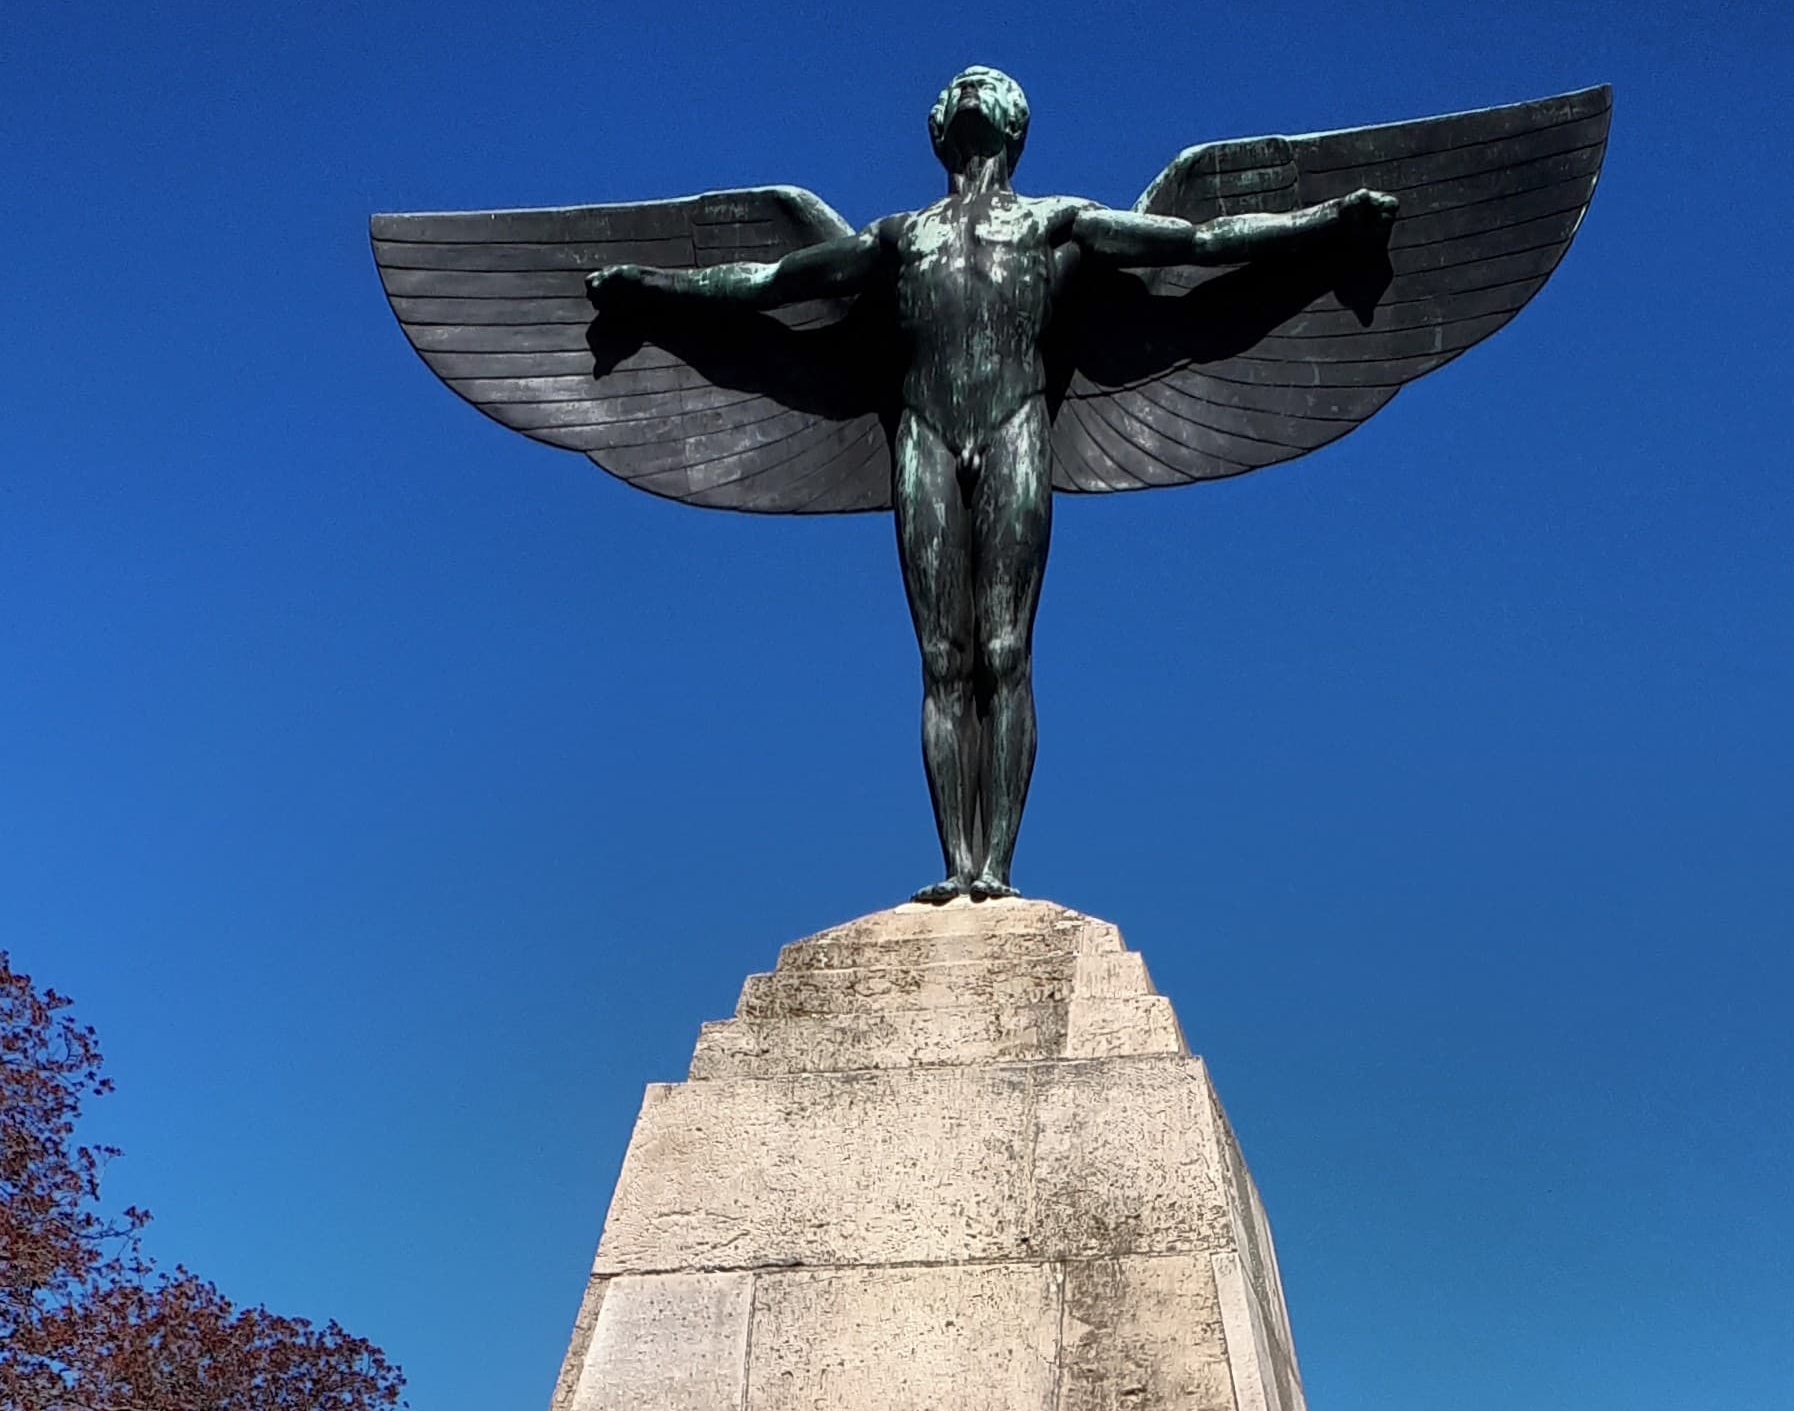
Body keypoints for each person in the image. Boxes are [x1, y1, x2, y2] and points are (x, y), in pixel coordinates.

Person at [593, 71, 1393, 900]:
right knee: (943, 658)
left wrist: (1324, 222)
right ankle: (954, 864)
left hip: (1015, 425)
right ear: (940, 128)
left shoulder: (1056, 223)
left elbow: (1197, 243)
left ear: (1015, 126)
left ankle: (997, 869)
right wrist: (654, 289)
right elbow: (768, 282)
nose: (972, 84)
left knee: (1005, 651)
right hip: (924, 432)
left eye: (991, 84)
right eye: (959, 85)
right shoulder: (897, 237)